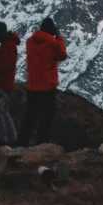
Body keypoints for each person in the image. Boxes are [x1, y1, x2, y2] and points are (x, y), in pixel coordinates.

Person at [18, 18, 68, 146]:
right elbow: (62, 55)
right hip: (47, 86)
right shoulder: (53, 43)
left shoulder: (30, 42)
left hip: (32, 84)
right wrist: (59, 37)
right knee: (47, 116)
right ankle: (41, 143)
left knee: (30, 116)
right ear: (52, 29)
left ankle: (22, 142)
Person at [0, 22, 21, 145]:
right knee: (4, 112)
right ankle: (11, 139)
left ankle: (4, 140)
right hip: (4, 84)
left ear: (0, 33)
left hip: (1, 84)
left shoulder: (7, 47)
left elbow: (5, 65)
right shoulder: (8, 46)